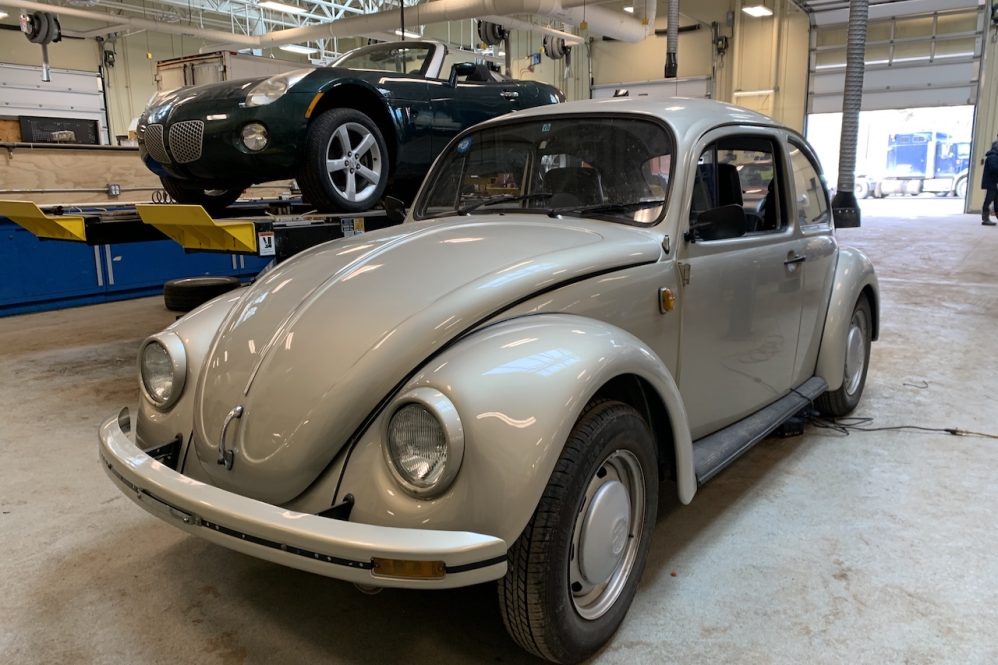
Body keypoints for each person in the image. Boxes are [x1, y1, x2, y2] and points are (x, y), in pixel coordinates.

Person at [981, 137, 998, 226]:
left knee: (996, 201)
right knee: (988, 200)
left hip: (995, 182)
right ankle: (985, 218)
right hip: (991, 183)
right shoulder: (993, 157)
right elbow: (995, 169)